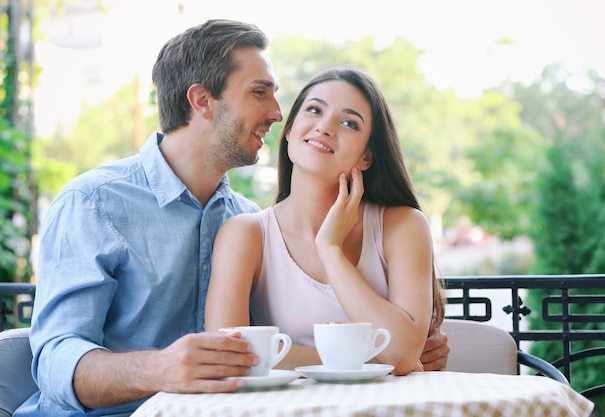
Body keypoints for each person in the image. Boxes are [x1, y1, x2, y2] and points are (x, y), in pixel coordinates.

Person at [16, 19, 448, 417]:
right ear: (202, 100)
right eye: (260, 92)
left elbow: (262, 351)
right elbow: (53, 361)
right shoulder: (94, 203)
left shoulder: (244, 220)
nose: (279, 113)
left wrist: (395, 354)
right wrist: (159, 369)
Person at [204, 66, 447, 375]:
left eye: (348, 122)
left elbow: (399, 353)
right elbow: (228, 356)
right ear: (290, 130)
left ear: (366, 157)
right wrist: (371, 360)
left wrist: (330, 248)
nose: (324, 127)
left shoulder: (402, 225)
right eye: (315, 110)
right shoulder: (246, 233)